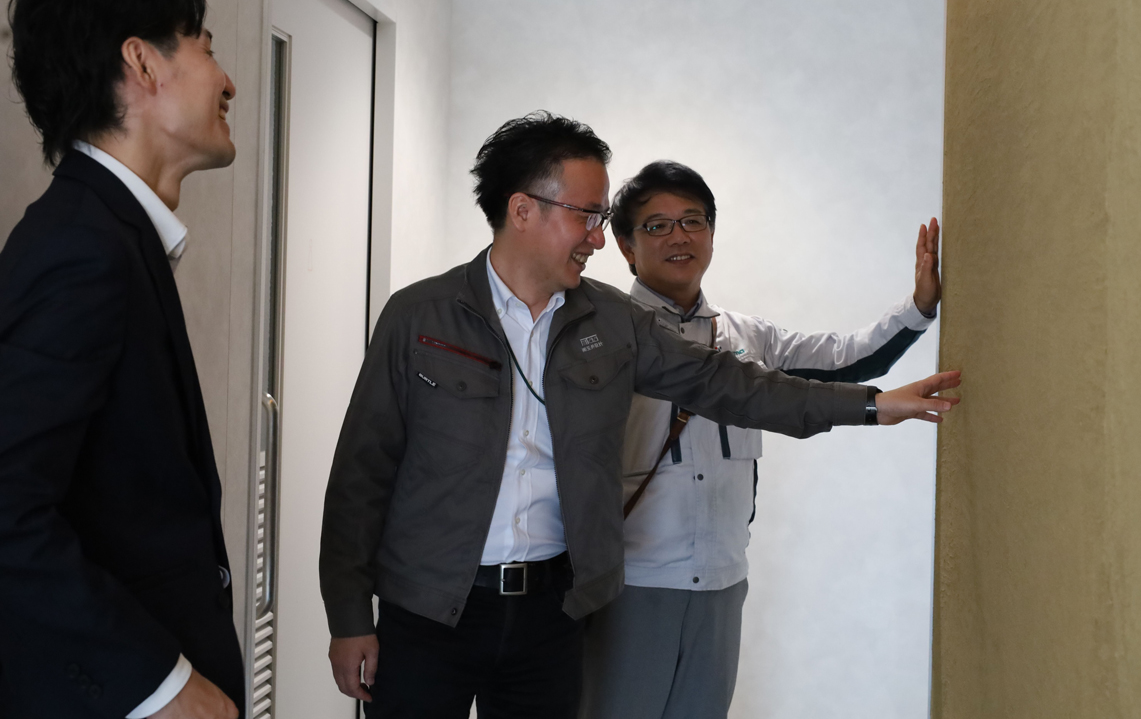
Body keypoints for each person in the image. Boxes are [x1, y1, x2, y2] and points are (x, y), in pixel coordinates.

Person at [319, 111, 959, 719]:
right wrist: (348, 619)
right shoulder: (419, 316)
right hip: (427, 611)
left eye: (602, 218)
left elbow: (731, 384)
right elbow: (361, 476)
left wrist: (872, 406)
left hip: (551, 616)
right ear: (522, 210)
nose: (599, 238)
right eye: (587, 217)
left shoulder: (613, 321)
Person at [579, 160, 941, 719]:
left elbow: (845, 359)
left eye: (693, 221)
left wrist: (918, 308)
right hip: (634, 582)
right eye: (657, 225)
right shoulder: (602, 335)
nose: (679, 236)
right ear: (626, 246)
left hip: (722, 580)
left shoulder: (746, 336)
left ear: (712, 233)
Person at [0, 0, 242, 718]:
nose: (229, 82)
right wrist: (162, 686)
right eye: (207, 49)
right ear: (142, 62)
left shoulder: (108, 231)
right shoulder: (83, 249)